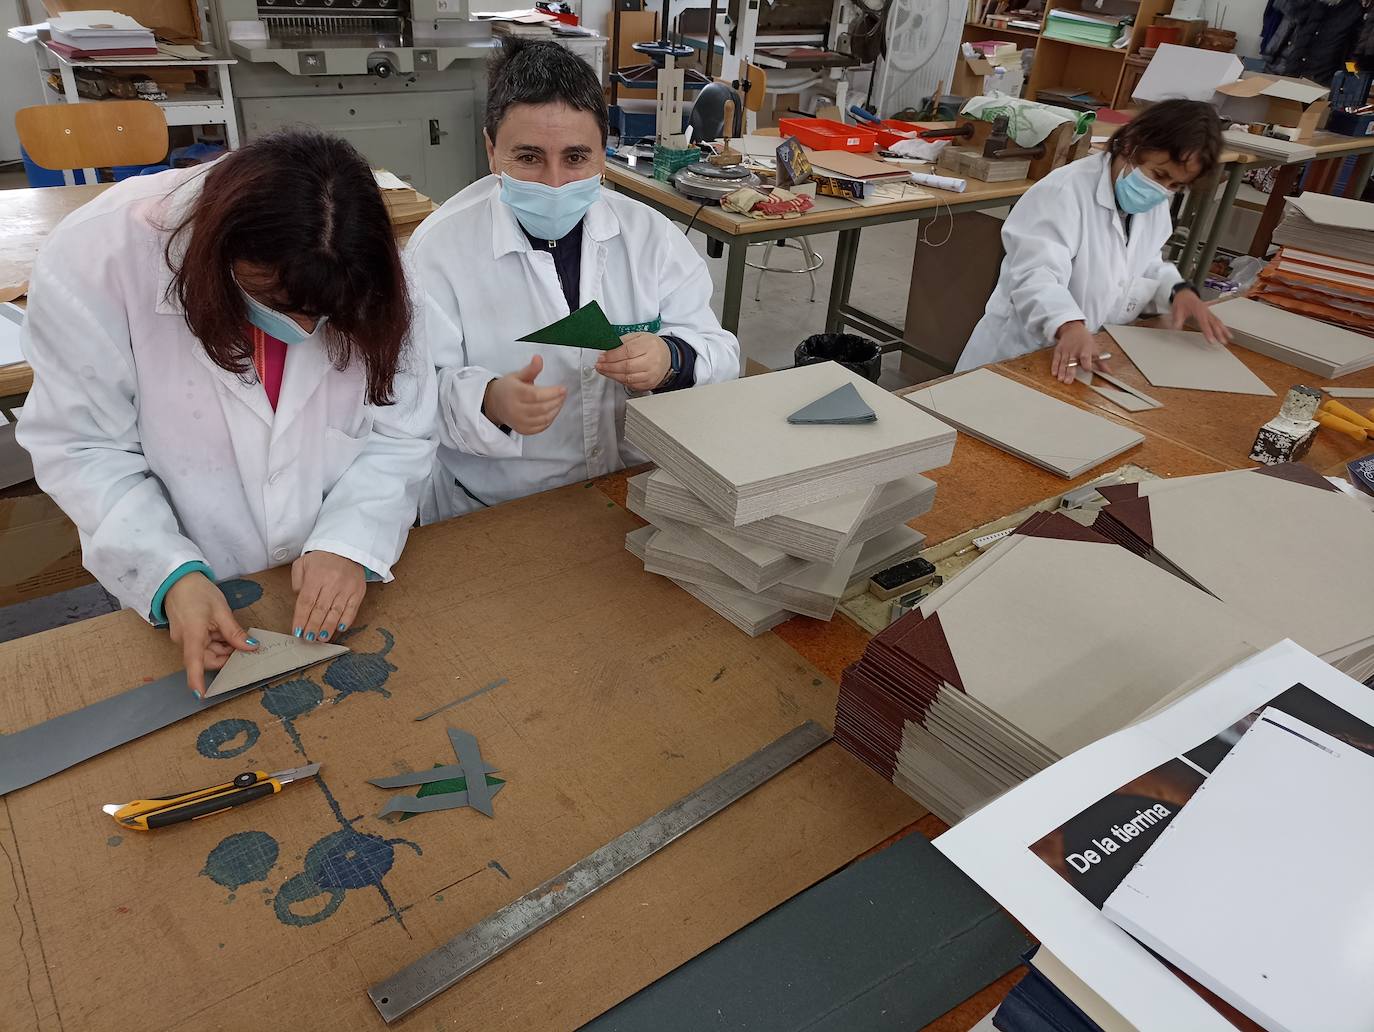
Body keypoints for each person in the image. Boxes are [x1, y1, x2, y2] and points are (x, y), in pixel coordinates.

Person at [18, 130, 438, 694]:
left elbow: (400, 429)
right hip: (188, 575)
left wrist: (350, 540)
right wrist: (168, 574)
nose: (307, 332)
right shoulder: (98, 259)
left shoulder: (372, 269)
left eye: (325, 316)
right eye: (282, 305)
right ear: (221, 253)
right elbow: (83, 448)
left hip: (333, 578)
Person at [408, 38, 741, 521]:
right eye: (527, 158)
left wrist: (674, 358)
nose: (554, 182)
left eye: (575, 157)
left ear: (603, 154)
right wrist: (487, 400)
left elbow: (720, 350)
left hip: (632, 490)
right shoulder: (437, 252)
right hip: (498, 508)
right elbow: (406, 399)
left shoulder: (651, 237)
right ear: (490, 150)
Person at [958, 99, 1232, 383]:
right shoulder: (1063, 192)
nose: (1162, 190)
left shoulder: (1154, 203)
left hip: (1083, 356)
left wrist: (1178, 292)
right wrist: (1069, 324)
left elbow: (1145, 263)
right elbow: (1035, 274)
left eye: (1175, 185)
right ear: (1130, 145)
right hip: (1018, 353)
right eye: (1160, 175)